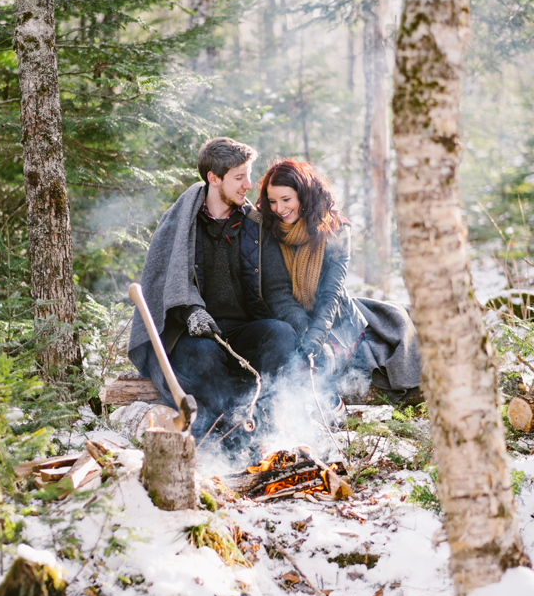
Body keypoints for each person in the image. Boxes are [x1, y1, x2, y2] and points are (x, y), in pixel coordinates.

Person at [127, 137, 303, 446]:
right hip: (192, 335)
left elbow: (277, 292)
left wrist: (307, 331)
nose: (248, 184)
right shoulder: (181, 223)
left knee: (282, 333)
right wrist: (192, 310)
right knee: (204, 355)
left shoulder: (255, 226)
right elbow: (167, 285)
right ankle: (230, 433)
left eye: (248, 175)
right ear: (214, 178)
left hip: (239, 331)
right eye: (239, 177)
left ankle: (263, 422)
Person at [257, 158, 422, 404]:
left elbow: (332, 292)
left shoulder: (336, 229)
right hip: (288, 315)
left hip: (332, 315)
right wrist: (304, 330)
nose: (279, 209)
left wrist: (316, 334)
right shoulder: (268, 227)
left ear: (302, 195)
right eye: (272, 201)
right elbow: (277, 291)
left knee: (325, 359)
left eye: (286, 200)